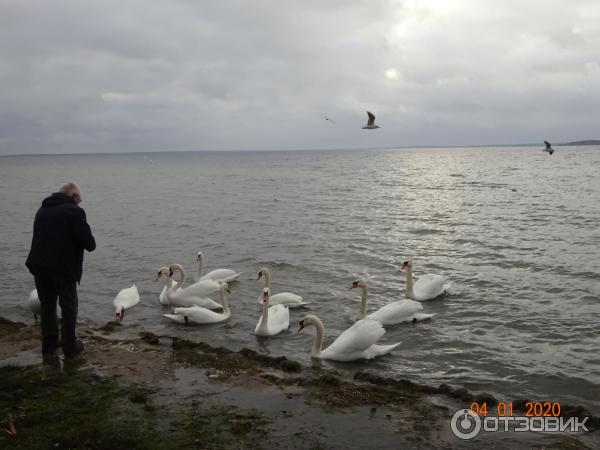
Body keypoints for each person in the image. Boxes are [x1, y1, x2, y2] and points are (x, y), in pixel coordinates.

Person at [26, 182, 96, 359]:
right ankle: (69, 346)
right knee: (68, 306)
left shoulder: (42, 210)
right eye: (79, 199)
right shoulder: (74, 211)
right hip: (62, 268)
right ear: (72, 196)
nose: (80, 203)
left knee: (47, 306)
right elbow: (90, 244)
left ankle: (49, 347)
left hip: (39, 265)